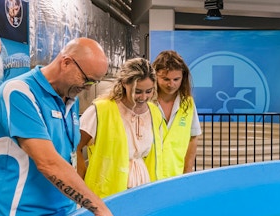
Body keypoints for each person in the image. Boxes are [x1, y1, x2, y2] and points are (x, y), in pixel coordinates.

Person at [0, 37, 129, 216]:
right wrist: (98, 207)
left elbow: (68, 157)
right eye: (86, 80)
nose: (86, 87)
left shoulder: (70, 99)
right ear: (66, 62)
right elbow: (48, 162)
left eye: (93, 83)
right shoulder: (19, 92)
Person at [77, 57, 163, 198]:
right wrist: (81, 183)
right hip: (107, 192)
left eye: (149, 91)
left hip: (144, 188)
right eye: (137, 91)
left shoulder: (155, 112)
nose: (143, 97)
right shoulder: (101, 109)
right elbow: (76, 147)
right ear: (124, 83)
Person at [152, 50, 202, 178]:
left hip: (175, 175)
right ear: (155, 76)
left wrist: (187, 172)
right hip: (146, 176)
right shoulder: (145, 102)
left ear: (183, 78)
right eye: (165, 79)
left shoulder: (188, 104)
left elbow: (193, 138)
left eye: (176, 79)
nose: (171, 84)